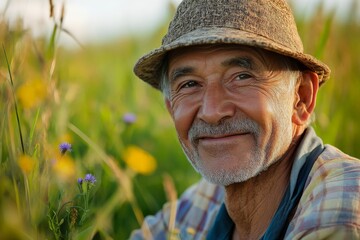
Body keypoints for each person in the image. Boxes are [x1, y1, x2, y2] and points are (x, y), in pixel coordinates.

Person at [130, 0, 360, 239]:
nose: (212, 111)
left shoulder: (345, 203)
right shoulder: (203, 203)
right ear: (171, 109)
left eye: (242, 77)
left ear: (300, 98)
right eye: (189, 84)